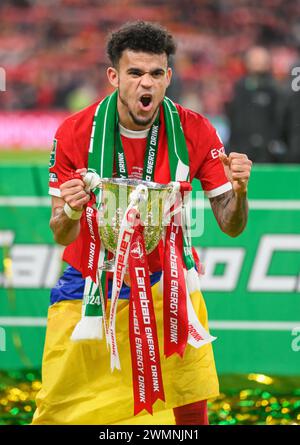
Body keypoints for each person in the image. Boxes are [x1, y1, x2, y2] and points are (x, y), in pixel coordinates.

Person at [32, 21, 252, 425]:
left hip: (165, 285)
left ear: (168, 76)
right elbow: (60, 230)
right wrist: (74, 209)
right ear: (114, 76)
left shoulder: (196, 130)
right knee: (61, 412)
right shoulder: (74, 133)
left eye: (155, 73)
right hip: (91, 285)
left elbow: (231, 225)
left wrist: (239, 192)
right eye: (134, 73)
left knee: (187, 405)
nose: (145, 84)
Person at [226, 46, 284, 163]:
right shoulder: (239, 87)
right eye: (254, 59)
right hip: (240, 148)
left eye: (260, 59)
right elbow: (233, 116)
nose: (257, 62)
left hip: (267, 152)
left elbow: (279, 118)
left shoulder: (274, 89)